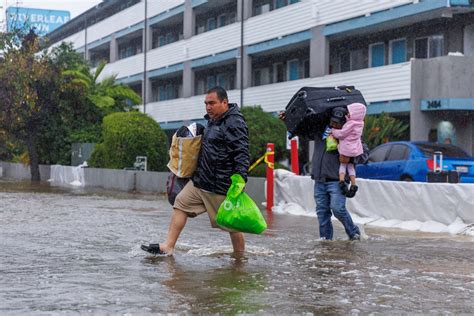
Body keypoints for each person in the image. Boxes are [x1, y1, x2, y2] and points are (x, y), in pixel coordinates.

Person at [141, 86, 250, 255]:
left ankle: (240, 258)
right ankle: (168, 246)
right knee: (181, 203)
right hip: (201, 181)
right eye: (206, 103)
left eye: (212, 103)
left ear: (224, 102)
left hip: (220, 185)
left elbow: (241, 152)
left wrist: (240, 180)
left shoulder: (234, 122)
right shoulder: (212, 120)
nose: (208, 107)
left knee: (231, 224)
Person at [279, 108, 361, 241]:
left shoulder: (350, 134)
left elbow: (364, 153)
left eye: (338, 122)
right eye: (333, 121)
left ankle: (353, 232)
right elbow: (302, 131)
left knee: (338, 209)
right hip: (319, 179)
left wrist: (350, 159)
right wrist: (287, 121)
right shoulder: (320, 130)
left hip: (337, 180)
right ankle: (325, 240)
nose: (334, 125)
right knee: (322, 212)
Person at [330, 102, 366, 198]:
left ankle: (341, 181)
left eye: (350, 113)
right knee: (350, 166)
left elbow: (341, 134)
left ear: (355, 114)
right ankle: (353, 184)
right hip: (355, 148)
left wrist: (333, 131)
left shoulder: (351, 124)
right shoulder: (360, 123)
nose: (348, 114)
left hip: (346, 147)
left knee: (343, 164)